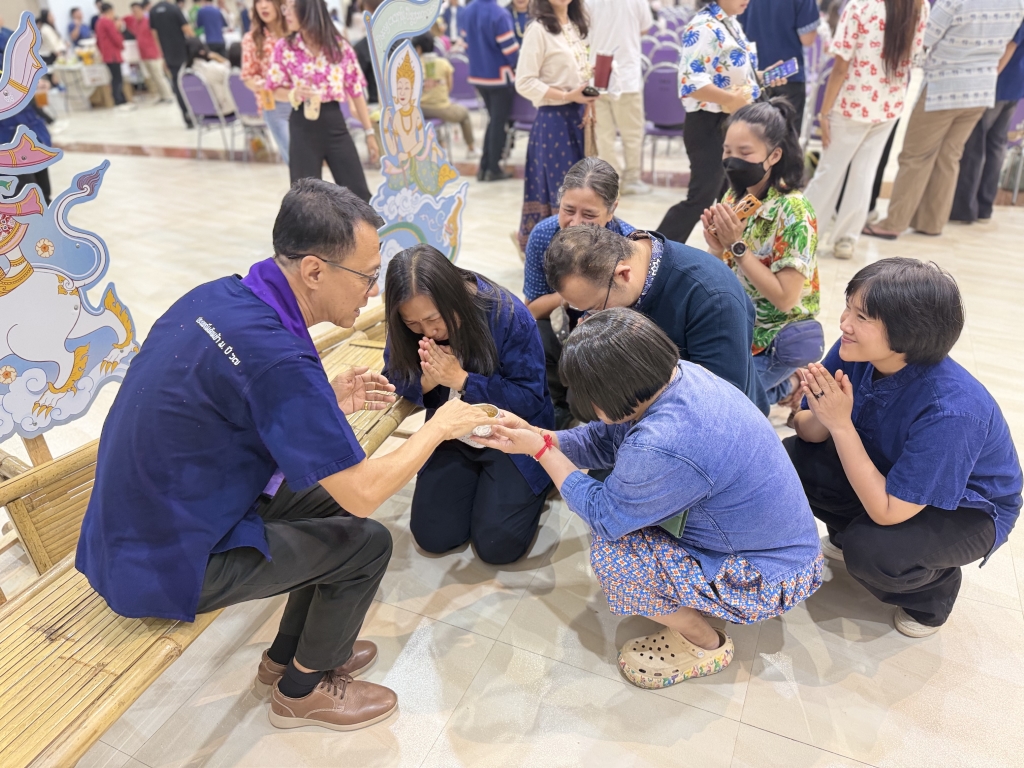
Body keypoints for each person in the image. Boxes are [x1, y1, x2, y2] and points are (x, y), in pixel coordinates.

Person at [76, 180, 496, 732]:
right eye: (367, 276)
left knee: (330, 511)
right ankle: (302, 691)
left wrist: (321, 401)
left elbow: (228, 405)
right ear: (314, 270)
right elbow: (365, 492)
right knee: (367, 542)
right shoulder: (280, 359)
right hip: (165, 560)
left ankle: (288, 658)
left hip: (132, 525)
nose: (372, 292)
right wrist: (439, 427)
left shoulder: (215, 297)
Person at [476, 309, 823, 688]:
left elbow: (604, 515)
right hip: (781, 550)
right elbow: (603, 439)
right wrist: (539, 435)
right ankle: (699, 600)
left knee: (614, 554)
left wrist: (542, 451)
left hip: (767, 577)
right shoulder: (676, 378)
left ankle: (704, 642)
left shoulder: (663, 442)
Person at [785, 259, 1022, 637]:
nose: (844, 323)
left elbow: (888, 511)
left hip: (968, 510)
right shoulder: (855, 352)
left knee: (875, 552)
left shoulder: (951, 410)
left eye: (862, 317)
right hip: (890, 470)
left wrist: (841, 425)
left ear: (907, 333)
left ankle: (933, 596)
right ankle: (846, 530)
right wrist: (819, 414)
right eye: (848, 307)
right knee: (791, 461)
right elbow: (809, 431)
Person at [383, 245, 554, 565]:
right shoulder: (407, 323)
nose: (428, 331)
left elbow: (530, 398)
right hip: (453, 435)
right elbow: (393, 377)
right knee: (433, 536)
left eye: (434, 318)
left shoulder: (507, 314)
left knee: (498, 547)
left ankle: (538, 480)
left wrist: (462, 380)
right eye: (414, 324)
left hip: (510, 436)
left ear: (454, 296)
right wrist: (427, 381)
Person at [543, 219, 770, 415]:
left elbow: (720, 403)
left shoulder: (713, 298)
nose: (592, 318)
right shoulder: (627, 263)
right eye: (583, 310)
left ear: (623, 274)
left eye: (596, 308)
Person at [864, 0, 1024, 240]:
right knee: (950, 157)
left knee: (915, 156)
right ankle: (932, 222)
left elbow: (923, 38)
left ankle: (893, 223)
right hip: (981, 89)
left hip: (942, 87)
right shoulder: (1017, 3)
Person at [701, 100, 821, 409]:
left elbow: (785, 299)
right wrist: (716, 246)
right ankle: (791, 383)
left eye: (745, 153)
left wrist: (737, 247)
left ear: (774, 155)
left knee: (725, 406)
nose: (733, 161)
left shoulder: (793, 211)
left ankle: (793, 380)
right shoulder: (733, 197)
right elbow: (718, 275)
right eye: (728, 151)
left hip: (775, 338)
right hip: (737, 330)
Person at [803, 0, 927, 260]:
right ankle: (846, 240)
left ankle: (805, 234)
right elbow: (915, 56)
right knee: (864, 173)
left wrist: (824, 113)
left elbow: (841, 66)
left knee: (829, 172)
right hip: (889, 104)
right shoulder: (919, 5)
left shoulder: (860, 6)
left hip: (852, 104)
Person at [524, 157, 635, 429]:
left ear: (611, 210)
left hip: (605, 337)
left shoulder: (629, 244)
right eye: (568, 210)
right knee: (530, 334)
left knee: (583, 405)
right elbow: (532, 309)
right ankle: (556, 402)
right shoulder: (543, 236)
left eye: (589, 215)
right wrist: (571, 295)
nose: (575, 223)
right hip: (560, 328)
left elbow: (632, 323)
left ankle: (584, 407)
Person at [655, 0, 760, 244]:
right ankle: (655, 248)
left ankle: (728, 253)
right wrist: (730, 100)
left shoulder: (730, 22)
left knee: (730, 196)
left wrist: (761, 78)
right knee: (702, 196)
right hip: (708, 122)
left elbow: (729, 73)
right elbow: (691, 82)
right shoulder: (704, 26)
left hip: (730, 120)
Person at [266, 0, 379, 193]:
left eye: (292, 8)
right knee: (304, 197)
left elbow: (356, 91)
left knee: (357, 192)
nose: (286, 13)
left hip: (334, 122)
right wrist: (294, 93)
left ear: (309, 9)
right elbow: (274, 88)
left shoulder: (339, 47)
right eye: (285, 8)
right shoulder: (284, 47)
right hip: (302, 125)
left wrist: (369, 133)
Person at [514, 0, 598, 252]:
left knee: (583, 187)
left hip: (578, 117)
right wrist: (566, 95)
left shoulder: (574, 25)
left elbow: (576, 76)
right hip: (553, 121)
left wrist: (587, 92)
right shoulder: (538, 29)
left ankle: (577, 251)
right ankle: (553, 252)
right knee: (562, 190)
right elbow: (524, 81)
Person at [951, 20, 1024, 224]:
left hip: (998, 84)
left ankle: (964, 208)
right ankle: (984, 207)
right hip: (1015, 84)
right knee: (996, 145)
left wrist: (989, 78)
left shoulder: (1018, 11)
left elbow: (1011, 45)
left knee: (976, 145)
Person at [586, 0, 654, 196]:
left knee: (603, 134)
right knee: (631, 133)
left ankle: (610, 180)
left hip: (598, 75)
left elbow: (584, 35)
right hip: (626, 77)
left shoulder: (587, 2)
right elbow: (645, 28)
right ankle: (631, 179)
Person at [738, 0, 819, 139]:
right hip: (788, 75)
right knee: (786, 139)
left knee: (753, 137)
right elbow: (807, 39)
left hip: (752, 75)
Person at [463, 0, 520, 181]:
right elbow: (510, 49)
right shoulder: (499, 14)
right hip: (499, 76)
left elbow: (466, 44)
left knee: (493, 120)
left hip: (478, 75)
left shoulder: (468, 11)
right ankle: (492, 168)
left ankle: (485, 166)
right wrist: (519, 65)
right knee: (498, 122)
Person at [242, 0, 292, 165]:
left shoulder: (295, 32)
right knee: (294, 159)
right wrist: (256, 84)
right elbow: (248, 76)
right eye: (258, 1)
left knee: (312, 157)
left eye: (268, 1)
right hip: (274, 105)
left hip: (303, 101)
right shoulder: (252, 39)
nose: (263, 6)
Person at [413, 33, 477, 160]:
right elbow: (449, 87)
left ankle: (440, 143)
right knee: (464, 113)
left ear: (418, 49)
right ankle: (471, 149)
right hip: (440, 108)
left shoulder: (412, 64)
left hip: (419, 110)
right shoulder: (444, 63)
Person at [150, 0, 197, 128]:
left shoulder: (153, 11)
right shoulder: (174, 9)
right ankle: (198, 113)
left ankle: (187, 117)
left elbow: (154, 35)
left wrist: (163, 55)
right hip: (183, 53)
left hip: (169, 55)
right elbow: (186, 29)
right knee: (191, 82)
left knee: (177, 85)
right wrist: (197, 44)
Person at [126, 2, 176, 104]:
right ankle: (161, 95)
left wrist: (160, 51)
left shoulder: (148, 21)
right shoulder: (136, 23)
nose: (135, 13)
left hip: (153, 53)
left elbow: (157, 35)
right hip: (144, 54)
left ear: (141, 10)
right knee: (152, 77)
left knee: (159, 76)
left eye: (136, 11)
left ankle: (168, 95)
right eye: (133, 12)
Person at [186, 37, 236, 115]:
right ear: (202, 51)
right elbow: (233, 72)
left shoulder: (186, 73)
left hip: (202, 113)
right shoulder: (211, 68)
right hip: (225, 111)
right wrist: (218, 57)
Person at [95, 3, 131, 109]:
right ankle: (119, 101)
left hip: (106, 54)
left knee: (115, 77)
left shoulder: (99, 22)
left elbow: (98, 41)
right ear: (111, 11)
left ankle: (121, 99)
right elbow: (115, 37)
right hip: (113, 54)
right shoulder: (108, 22)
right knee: (117, 78)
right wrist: (121, 43)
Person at [351, 0, 383, 105]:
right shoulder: (402, 40)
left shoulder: (361, 47)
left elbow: (356, 84)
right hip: (378, 104)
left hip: (378, 104)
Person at [37, 10, 66, 74]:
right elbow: (53, 44)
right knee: (55, 75)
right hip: (50, 57)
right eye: (50, 16)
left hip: (55, 54)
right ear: (46, 18)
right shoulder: (45, 29)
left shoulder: (50, 27)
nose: (53, 17)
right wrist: (60, 57)